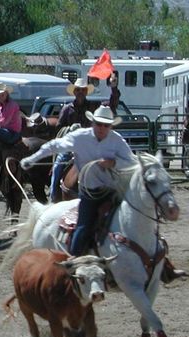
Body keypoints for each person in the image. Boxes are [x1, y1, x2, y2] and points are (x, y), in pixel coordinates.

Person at [20, 106, 136, 256]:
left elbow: (132, 162)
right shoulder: (81, 137)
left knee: (134, 219)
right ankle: (75, 261)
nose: (101, 128)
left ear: (110, 126)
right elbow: (55, 146)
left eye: (105, 125)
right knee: (83, 227)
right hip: (90, 193)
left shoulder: (117, 140)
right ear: (93, 123)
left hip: (113, 191)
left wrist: (114, 163)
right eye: (98, 124)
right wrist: (33, 159)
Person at [50, 75, 121, 201]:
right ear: (74, 92)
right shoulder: (67, 109)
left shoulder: (94, 107)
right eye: (78, 90)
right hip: (71, 147)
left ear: (86, 92)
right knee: (58, 166)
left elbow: (112, 105)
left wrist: (114, 88)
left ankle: (117, 195)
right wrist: (69, 130)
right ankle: (54, 196)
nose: (80, 92)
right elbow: (58, 128)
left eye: (83, 90)